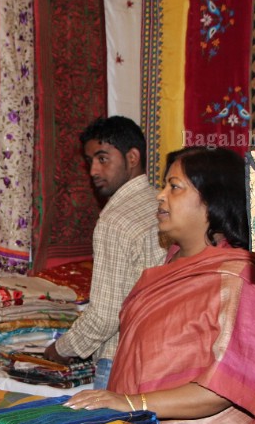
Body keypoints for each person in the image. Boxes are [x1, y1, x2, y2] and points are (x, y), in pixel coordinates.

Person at [65, 147, 255, 424]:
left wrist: (129, 403)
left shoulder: (240, 278)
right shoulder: (172, 265)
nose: (160, 195)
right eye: (164, 185)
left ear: (212, 199)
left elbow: (227, 386)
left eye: (174, 187)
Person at [42, 116, 164, 389]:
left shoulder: (115, 220)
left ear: (132, 158)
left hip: (120, 359)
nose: (93, 171)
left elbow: (105, 316)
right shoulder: (162, 203)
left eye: (103, 159)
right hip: (158, 355)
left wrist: (60, 349)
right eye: (90, 162)